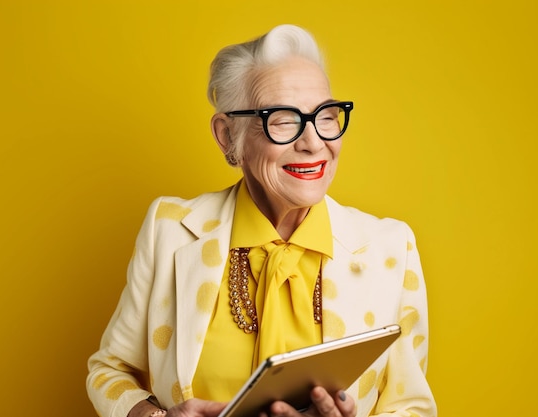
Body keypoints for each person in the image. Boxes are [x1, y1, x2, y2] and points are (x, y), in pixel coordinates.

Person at [87, 24, 437, 417]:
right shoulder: (169, 229)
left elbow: (412, 407)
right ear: (227, 134)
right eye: (284, 119)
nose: (314, 142)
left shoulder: (390, 248)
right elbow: (109, 369)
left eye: (325, 116)